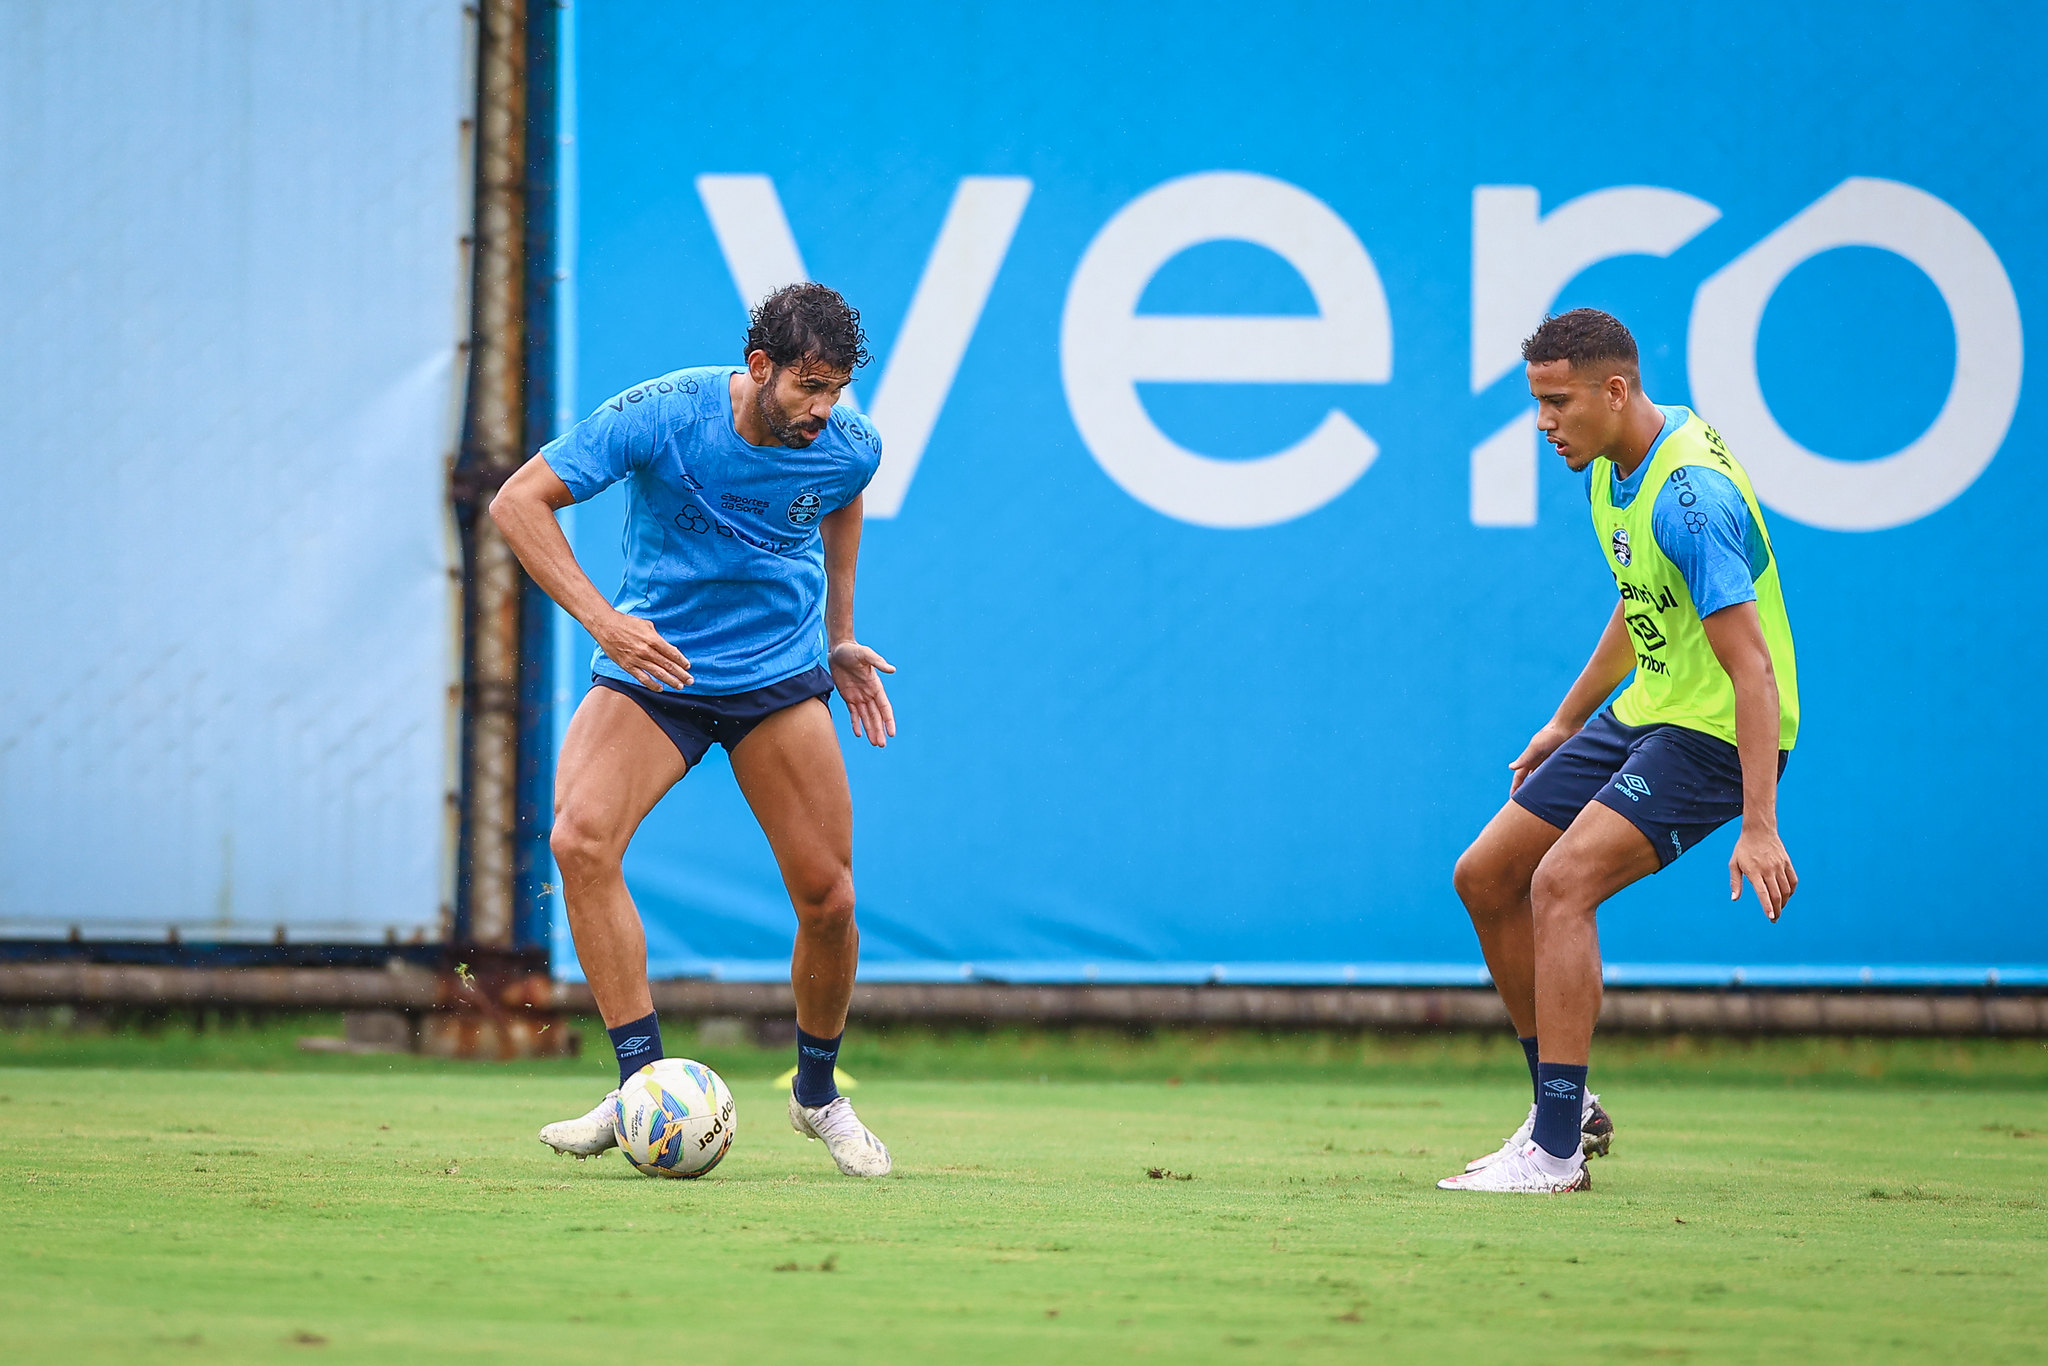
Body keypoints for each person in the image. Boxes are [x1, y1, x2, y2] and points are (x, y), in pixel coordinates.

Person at [490, 283, 896, 1177]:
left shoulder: (846, 446)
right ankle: (642, 1085)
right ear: (760, 368)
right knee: (579, 840)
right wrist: (605, 622)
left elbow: (845, 493)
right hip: (655, 671)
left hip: (778, 680)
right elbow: (518, 502)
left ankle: (818, 1094)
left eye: (838, 390)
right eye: (810, 388)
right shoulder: (664, 414)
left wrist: (840, 637)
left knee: (829, 898)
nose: (825, 411)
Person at [1438, 309, 1800, 1194]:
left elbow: (1754, 673)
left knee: (1563, 885)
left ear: (1615, 390)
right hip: (1649, 706)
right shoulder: (1612, 465)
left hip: (1715, 730)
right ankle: (1563, 1108)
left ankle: (1557, 1153)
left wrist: (1760, 825)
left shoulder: (1692, 498)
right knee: (1486, 875)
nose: (1542, 422)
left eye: (1557, 402)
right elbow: (1640, 599)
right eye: (1536, 402)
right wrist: (1567, 721)